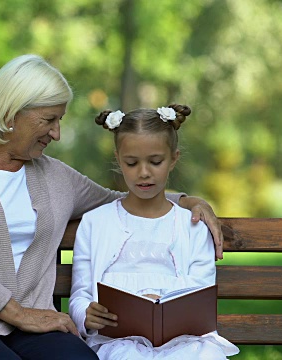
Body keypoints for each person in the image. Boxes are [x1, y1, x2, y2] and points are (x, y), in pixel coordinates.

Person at [0, 54, 224, 360]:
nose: (56, 133)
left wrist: (186, 200)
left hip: (29, 327)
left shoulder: (54, 176)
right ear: (11, 114)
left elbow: (122, 200)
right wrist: (17, 313)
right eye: (49, 120)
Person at [69, 106, 239, 359]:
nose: (144, 172)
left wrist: (160, 299)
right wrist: (86, 314)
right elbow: (80, 293)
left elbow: (201, 289)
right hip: (117, 341)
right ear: (118, 159)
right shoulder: (96, 223)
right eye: (132, 162)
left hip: (184, 340)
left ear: (173, 159)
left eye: (155, 161)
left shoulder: (190, 225)